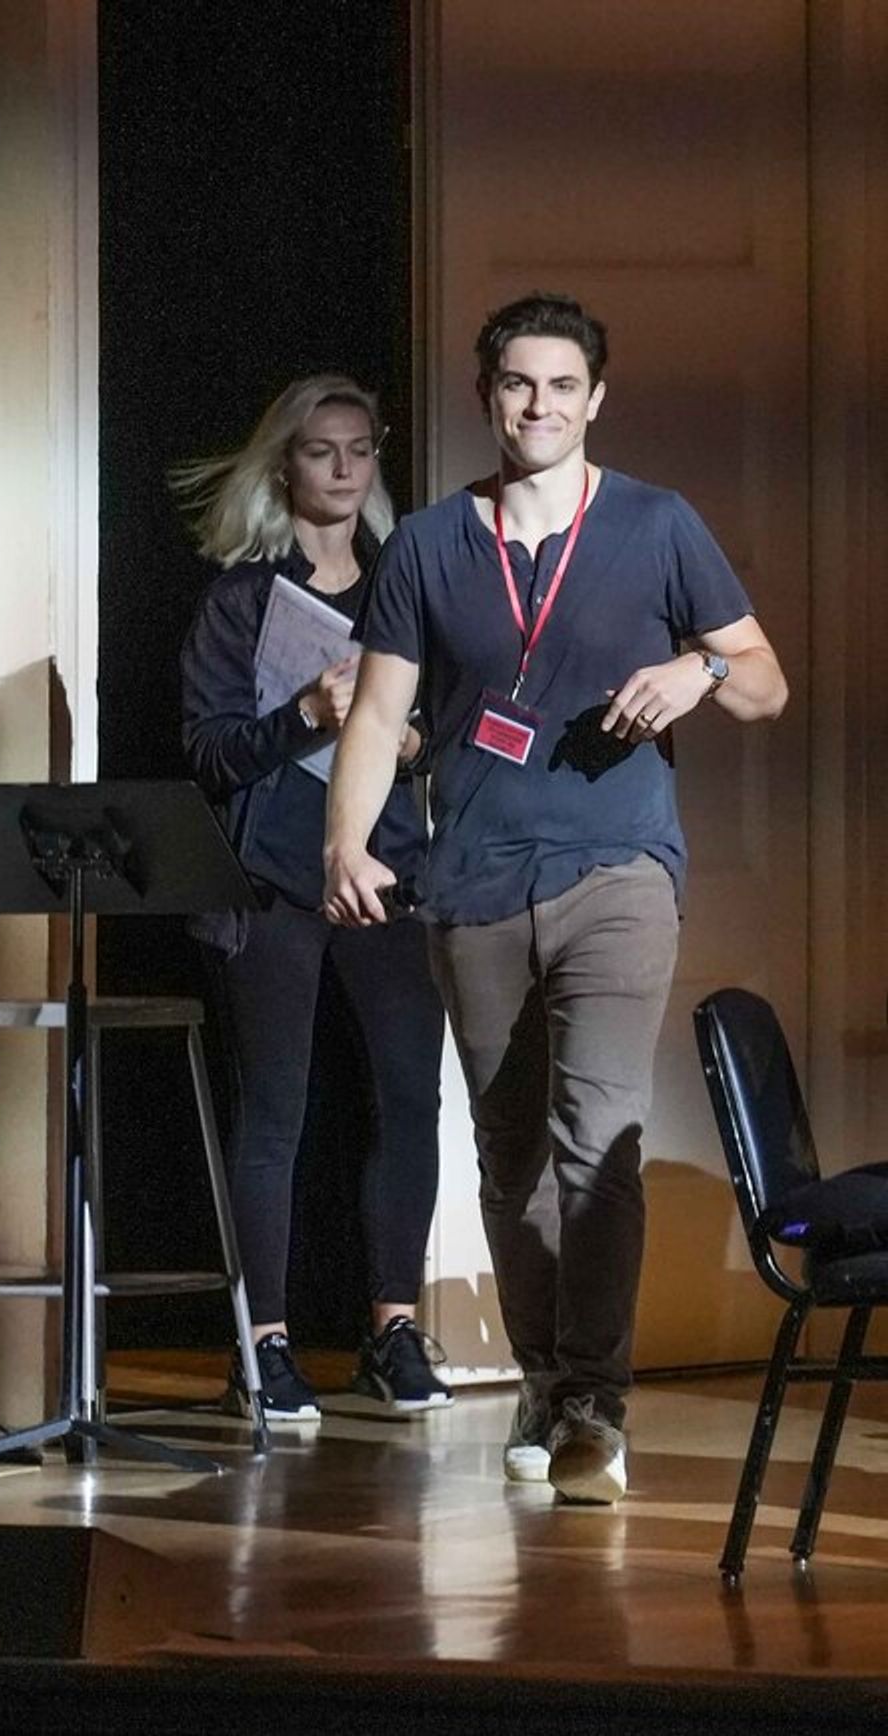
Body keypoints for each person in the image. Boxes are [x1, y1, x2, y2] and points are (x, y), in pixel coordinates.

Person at [323, 295, 788, 1501]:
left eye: (560, 385)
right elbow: (377, 714)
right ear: (486, 396)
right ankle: (541, 1376)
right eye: (516, 384)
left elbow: (763, 682)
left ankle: (593, 1400)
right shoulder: (428, 543)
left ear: (595, 398)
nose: (538, 405)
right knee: (507, 1153)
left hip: (615, 869)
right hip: (472, 878)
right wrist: (344, 843)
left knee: (599, 1141)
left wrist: (697, 667)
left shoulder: (654, 524)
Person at [176, 374, 450, 1422]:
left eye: (359, 449)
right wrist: (304, 709)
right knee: (275, 1111)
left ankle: (391, 1326)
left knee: (405, 1097)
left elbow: (450, 723)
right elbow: (204, 751)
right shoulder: (240, 594)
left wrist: (408, 736)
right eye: (319, 450)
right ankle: (264, 1345)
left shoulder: (403, 584)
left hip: (387, 870)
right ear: (281, 464)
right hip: (271, 879)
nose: (342, 469)